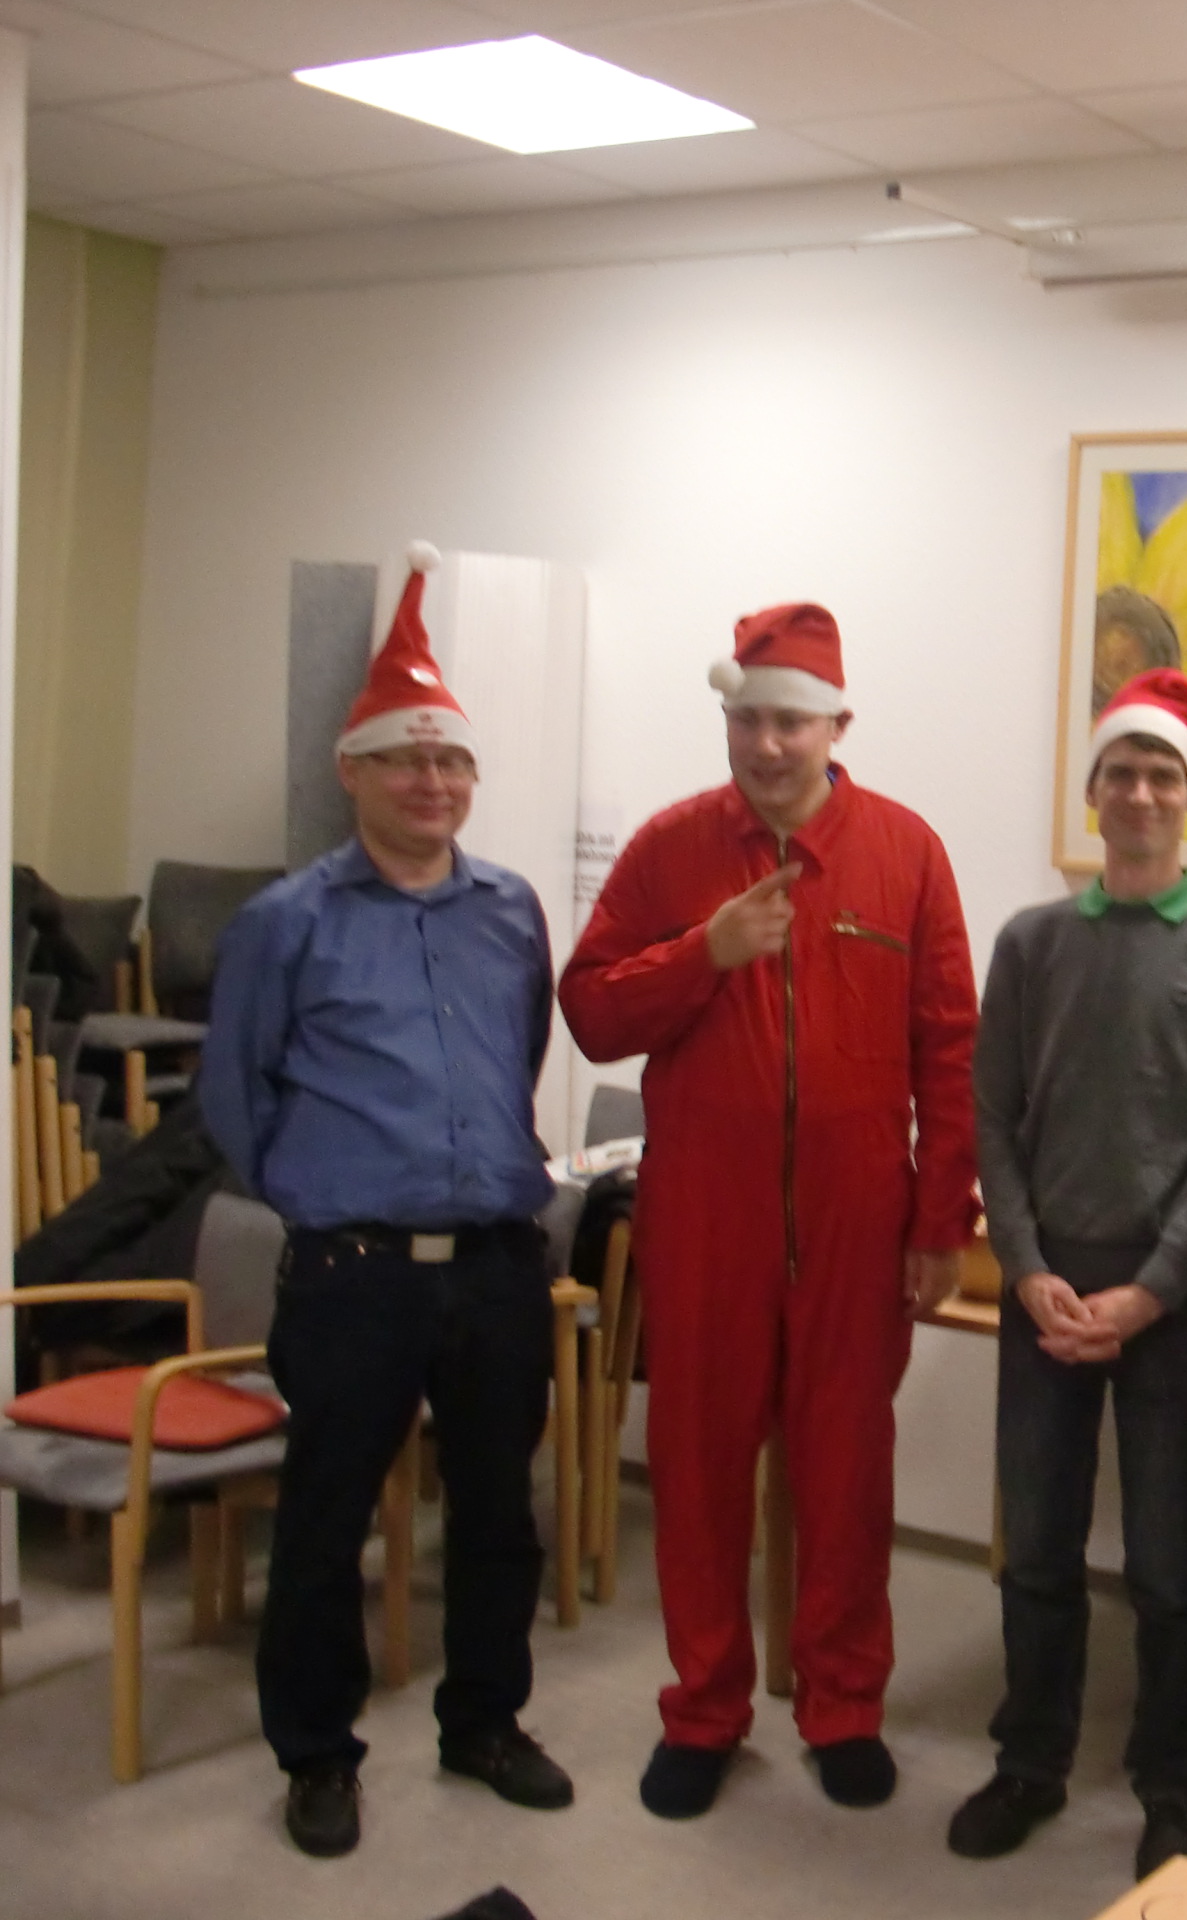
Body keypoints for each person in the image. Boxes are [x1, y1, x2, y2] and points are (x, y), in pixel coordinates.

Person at [558, 601, 978, 1819]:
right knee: (696, 1473)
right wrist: (705, 952)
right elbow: (590, 1012)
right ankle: (703, 1709)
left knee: (846, 1475)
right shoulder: (670, 850)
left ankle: (842, 1705)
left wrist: (939, 1222)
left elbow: (950, 1050)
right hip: (704, 1220)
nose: (768, 743)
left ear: (837, 726)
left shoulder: (906, 852)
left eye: (791, 721)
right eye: (747, 720)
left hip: (858, 1224)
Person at [202, 543, 573, 1858]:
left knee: (498, 1516)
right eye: (407, 762)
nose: (434, 783)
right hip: (352, 1272)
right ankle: (317, 1755)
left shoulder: (511, 912)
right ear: (352, 770)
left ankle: (486, 1724)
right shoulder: (285, 922)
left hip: (495, 1265)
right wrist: (324, 1192)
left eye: (453, 762)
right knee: (324, 1524)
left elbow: (519, 1052)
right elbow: (235, 1096)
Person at [951, 669, 1187, 1880]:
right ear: (1091, 795)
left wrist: (1150, 1290)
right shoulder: (1032, 943)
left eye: (1161, 776)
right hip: (1044, 1291)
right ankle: (1030, 1760)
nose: (1140, 794)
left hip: (1169, 1301)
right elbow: (993, 1119)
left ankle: (1171, 1787)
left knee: (1167, 1564)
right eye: (1120, 774)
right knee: (1036, 1547)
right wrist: (1025, 1266)